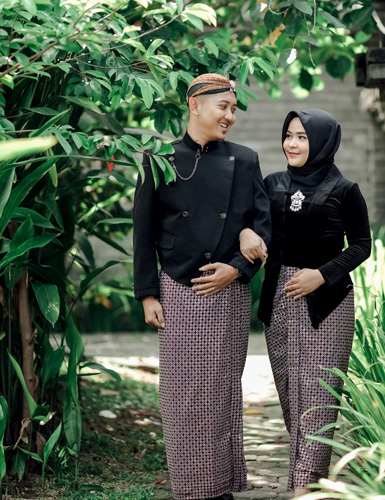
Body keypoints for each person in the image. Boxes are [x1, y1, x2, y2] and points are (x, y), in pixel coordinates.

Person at [133, 73, 271, 500]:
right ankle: (192, 488)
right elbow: (143, 230)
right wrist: (148, 293)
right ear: (195, 105)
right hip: (178, 287)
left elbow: (263, 223)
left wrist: (238, 268)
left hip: (228, 291)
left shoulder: (244, 160)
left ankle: (221, 486)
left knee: (222, 391)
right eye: (222, 107)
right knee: (182, 394)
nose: (230, 116)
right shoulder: (159, 158)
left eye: (233, 109)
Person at [240, 109, 371, 497]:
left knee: (319, 395)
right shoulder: (272, 183)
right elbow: (250, 222)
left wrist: (322, 274)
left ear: (324, 142)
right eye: (289, 135)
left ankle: (306, 485)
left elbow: (361, 245)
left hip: (327, 304)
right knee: (289, 393)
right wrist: (247, 232)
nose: (292, 144)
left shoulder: (345, 190)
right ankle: (305, 478)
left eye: (302, 137)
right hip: (279, 298)